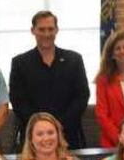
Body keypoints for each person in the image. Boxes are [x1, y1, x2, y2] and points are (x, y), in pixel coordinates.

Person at [10, 10, 90, 148]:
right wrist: (40, 126)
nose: (46, 34)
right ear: (33, 30)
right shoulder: (20, 63)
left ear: (57, 30)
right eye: (41, 29)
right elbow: (17, 100)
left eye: (50, 29)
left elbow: (82, 95)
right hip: (34, 136)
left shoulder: (74, 60)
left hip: (68, 134)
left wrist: (60, 124)